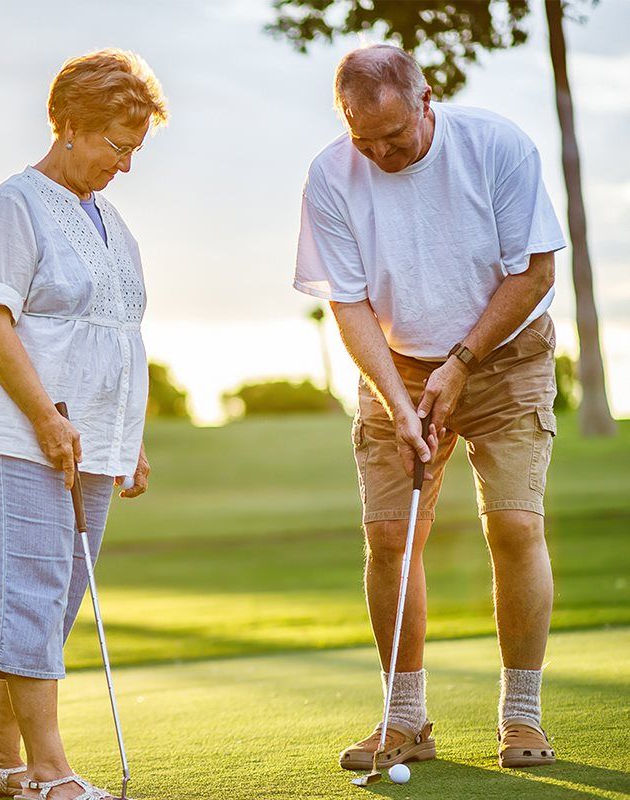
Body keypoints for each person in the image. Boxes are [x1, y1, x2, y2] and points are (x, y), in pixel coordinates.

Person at [292, 44, 566, 771]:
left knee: (512, 522)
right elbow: (348, 305)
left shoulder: (496, 146)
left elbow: (536, 272)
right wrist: (397, 397)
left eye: (396, 136)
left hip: (505, 354)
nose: (380, 153)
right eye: (363, 138)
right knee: (389, 538)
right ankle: (404, 719)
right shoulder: (329, 177)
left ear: (427, 101)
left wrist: (462, 363)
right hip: (398, 361)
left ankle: (522, 716)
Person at [0, 49, 166, 800]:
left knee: (52, 601)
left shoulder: (114, 223)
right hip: (19, 434)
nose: (125, 165)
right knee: (34, 595)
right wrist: (44, 416)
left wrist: (125, 439)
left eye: (134, 150)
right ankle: (48, 774)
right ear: (69, 125)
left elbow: (117, 337)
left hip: (91, 442)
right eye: (116, 145)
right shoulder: (16, 203)